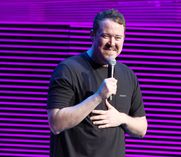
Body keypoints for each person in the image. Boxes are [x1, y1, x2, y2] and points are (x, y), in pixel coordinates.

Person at [47, 9, 148, 157]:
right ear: (92, 35)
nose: (112, 43)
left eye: (118, 37)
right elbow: (56, 124)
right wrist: (98, 96)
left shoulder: (128, 75)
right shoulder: (68, 69)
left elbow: (142, 128)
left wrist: (121, 118)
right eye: (106, 36)